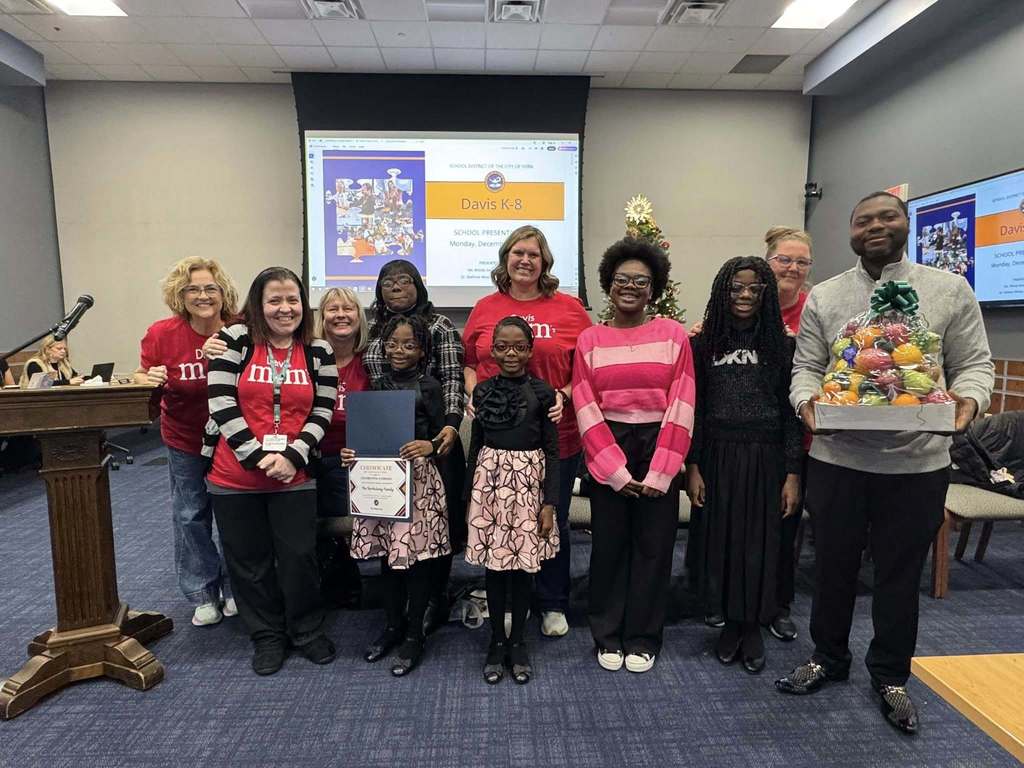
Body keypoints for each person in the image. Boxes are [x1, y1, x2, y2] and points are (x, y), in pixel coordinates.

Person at [776, 192, 994, 734]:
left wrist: (967, 403)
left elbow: (973, 365)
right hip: (837, 457)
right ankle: (827, 657)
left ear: (906, 224)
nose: (876, 226)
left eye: (887, 217)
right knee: (832, 569)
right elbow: (806, 368)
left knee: (899, 575)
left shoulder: (949, 290)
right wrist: (806, 405)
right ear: (850, 232)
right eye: (863, 219)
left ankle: (891, 674)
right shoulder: (826, 297)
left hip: (917, 464)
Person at [205, 267, 338, 676]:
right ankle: (266, 636)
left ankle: (306, 630)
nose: (285, 309)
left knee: (299, 558)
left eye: (293, 300)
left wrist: (293, 457)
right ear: (258, 306)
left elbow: (323, 409)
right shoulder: (235, 340)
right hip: (235, 476)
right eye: (275, 301)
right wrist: (257, 456)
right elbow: (221, 400)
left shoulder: (318, 350)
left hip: (294, 475)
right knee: (249, 562)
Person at [572, 238, 696, 673]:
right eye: (622, 279)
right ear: (608, 284)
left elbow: (682, 402)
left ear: (653, 287)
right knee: (609, 548)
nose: (630, 286)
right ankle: (607, 634)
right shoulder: (590, 338)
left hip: (661, 444)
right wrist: (615, 472)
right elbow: (585, 405)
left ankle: (643, 637)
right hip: (610, 447)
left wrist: (662, 473)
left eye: (640, 280)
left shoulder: (673, 335)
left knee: (654, 549)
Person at [463, 225, 592, 638]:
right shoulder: (485, 307)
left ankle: (552, 602)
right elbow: (469, 363)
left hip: (557, 436)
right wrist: (474, 396)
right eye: (517, 253)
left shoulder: (570, 309)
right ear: (505, 259)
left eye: (533, 254)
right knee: (501, 519)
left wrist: (566, 394)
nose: (524, 260)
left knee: (550, 518)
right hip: (499, 440)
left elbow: (587, 368)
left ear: (545, 262)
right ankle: (505, 600)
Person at [685, 257, 802, 675]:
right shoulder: (703, 345)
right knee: (722, 542)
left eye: (755, 289)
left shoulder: (782, 346)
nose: (746, 296)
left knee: (760, 544)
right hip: (717, 454)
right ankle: (729, 624)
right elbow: (694, 409)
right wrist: (693, 465)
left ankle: (752, 625)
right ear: (722, 291)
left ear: (767, 294)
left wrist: (792, 472)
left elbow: (791, 414)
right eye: (736, 288)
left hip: (766, 456)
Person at [136, 257, 240, 627]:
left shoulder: (239, 329)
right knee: (191, 515)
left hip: (233, 439)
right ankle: (202, 592)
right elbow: (142, 380)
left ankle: (234, 588)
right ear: (180, 296)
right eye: (192, 289)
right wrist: (149, 377)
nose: (202, 295)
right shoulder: (162, 334)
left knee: (234, 513)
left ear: (222, 292)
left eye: (210, 288)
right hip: (185, 438)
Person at [363, 260, 465, 633]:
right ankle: (397, 608)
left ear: (418, 286)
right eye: (387, 283)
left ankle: (434, 599)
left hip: (431, 437)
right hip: (386, 443)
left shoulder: (438, 326)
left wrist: (451, 427)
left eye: (404, 281)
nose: (395, 288)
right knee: (393, 521)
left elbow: (453, 378)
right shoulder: (374, 331)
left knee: (437, 525)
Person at [347, 315, 450, 677]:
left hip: (419, 482)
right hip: (380, 482)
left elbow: (443, 439)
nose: (399, 351)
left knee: (417, 562)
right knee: (388, 560)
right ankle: (392, 626)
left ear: (422, 350)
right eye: (392, 344)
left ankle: (414, 635)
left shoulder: (431, 386)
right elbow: (368, 434)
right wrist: (352, 453)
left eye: (409, 345)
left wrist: (430, 445)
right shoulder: (376, 385)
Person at [465, 316, 560, 685]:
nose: (510, 354)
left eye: (519, 347)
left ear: (530, 351)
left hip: (527, 490)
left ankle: (518, 641)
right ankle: (496, 641)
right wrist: (469, 499)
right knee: (495, 568)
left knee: (522, 571)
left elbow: (552, 451)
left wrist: (549, 503)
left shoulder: (542, 392)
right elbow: (475, 447)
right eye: (502, 346)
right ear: (492, 349)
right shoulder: (483, 392)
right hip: (489, 487)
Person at [763, 226, 814, 642]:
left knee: (784, 525)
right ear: (768, 261)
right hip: (749, 438)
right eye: (785, 259)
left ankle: (779, 605)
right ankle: (726, 601)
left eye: (801, 261)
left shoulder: (817, 310)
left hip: (800, 437)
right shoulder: (744, 301)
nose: (792, 268)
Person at [314, 287, 370, 608]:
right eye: (332, 309)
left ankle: (340, 563)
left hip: (360, 460)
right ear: (322, 318)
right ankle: (336, 562)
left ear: (358, 316)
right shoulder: (308, 360)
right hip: (318, 457)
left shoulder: (369, 362)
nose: (340, 315)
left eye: (348, 309)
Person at [19, 335, 83, 387]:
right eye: (59, 348)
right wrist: (68, 382)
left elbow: (74, 377)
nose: (63, 351)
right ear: (47, 349)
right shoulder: (35, 364)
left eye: (65, 349)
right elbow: (40, 384)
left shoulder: (64, 364)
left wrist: (88, 379)